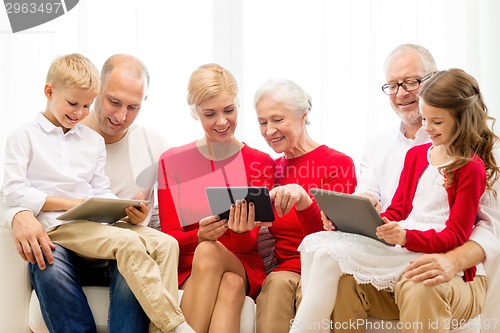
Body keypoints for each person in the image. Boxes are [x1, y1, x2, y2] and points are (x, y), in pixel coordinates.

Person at [292, 68, 499, 333]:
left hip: (428, 248)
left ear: (462, 119)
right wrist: (358, 221)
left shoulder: (471, 167)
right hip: (406, 243)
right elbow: (398, 209)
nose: (426, 128)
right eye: (424, 119)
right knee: (319, 246)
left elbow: (459, 234)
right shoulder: (417, 155)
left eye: (437, 122)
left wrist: (404, 236)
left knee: (328, 255)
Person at [1, 53, 193, 333]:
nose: (79, 112)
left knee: (166, 244)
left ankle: (158, 330)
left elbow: (100, 189)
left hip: (95, 228)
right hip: (58, 227)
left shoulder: (92, 141)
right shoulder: (24, 137)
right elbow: (13, 190)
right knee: (129, 244)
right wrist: (60, 205)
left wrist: (127, 210)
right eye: (73, 104)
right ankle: (175, 325)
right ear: (49, 91)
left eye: (85, 106)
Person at [157, 63, 275, 333]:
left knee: (211, 252)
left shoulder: (259, 162)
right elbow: (169, 236)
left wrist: (240, 230)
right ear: (194, 112)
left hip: (241, 260)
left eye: (229, 110)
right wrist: (198, 236)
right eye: (210, 114)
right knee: (229, 284)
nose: (222, 122)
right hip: (190, 269)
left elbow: (248, 243)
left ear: (238, 105)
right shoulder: (172, 161)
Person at [253, 78, 357, 333]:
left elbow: (331, 240)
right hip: (285, 269)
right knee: (276, 284)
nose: (269, 131)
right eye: (262, 122)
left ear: (303, 116)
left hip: (324, 268)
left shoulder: (338, 164)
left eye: (277, 120)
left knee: (310, 292)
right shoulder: (270, 170)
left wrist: (304, 200)